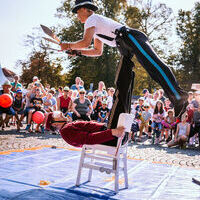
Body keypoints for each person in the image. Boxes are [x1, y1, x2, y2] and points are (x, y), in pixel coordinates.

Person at [60, 0, 188, 130]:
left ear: (84, 9)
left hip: (129, 37)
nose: (76, 15)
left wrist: (68, 45)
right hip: (123, 46)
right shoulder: (94, 26)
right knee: (123, 82)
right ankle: (118, 122)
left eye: (77, 11)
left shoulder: (91, 19)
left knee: (154, 66)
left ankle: (179, 97)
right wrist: (77, 52)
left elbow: (85, 42)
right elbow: (97, 51)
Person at [46, 111, 125, 147]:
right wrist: (112, 132)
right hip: (112, 137)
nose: (61, 114)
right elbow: (90, 139)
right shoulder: (66, 132)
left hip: (110, 132)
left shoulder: (66, 127)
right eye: (57, 116)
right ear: (55, 124)